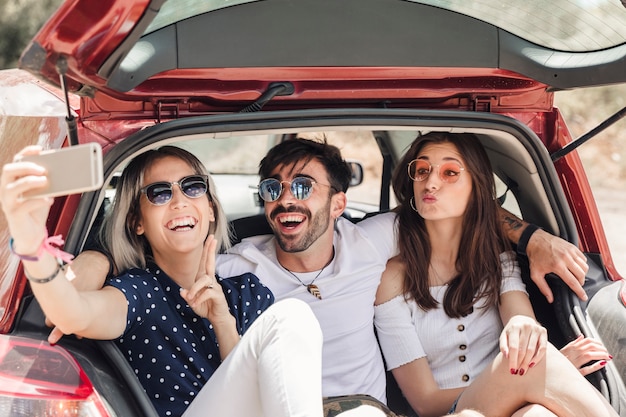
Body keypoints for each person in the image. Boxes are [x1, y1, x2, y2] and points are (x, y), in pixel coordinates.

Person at [50, 139, 593, 406]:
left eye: (304, 187)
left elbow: (451, 206)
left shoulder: (374, 239)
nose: (287, 200)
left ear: (340, 204)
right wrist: (96, 252)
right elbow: (167, 247)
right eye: (273, 190)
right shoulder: (238, 266)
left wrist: (533, 237)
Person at [0, 145, 325, 417]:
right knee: (293, 316)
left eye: (193, 186)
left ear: (210, 209)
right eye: (159, 193)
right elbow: (74, 313)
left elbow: (265, 394)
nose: (179, 200)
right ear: (137, 222)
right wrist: (31, 245)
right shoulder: (139, 291)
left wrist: (222, 321)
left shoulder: (247, 293)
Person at [373, 132, 616, 416]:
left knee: (539, 413)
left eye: (450, 172)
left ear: (476, 187)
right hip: (450, 412)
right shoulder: (392, 278)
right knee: (538, 369)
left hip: (513, 398)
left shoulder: (497, 259)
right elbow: (425, 402)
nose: (431, 182)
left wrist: (528, 358)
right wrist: (521, 376)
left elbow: (521, 320)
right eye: (422, 170)